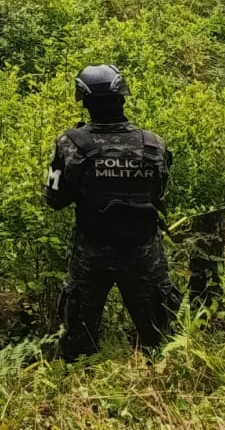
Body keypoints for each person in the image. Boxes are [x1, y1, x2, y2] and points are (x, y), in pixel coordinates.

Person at [44, 64, 180, 361]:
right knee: (163, 341)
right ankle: (169, 390)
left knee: (78, 343)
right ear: (122, 98)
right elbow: (159, 194)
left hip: (91, 254)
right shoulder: (153, 145)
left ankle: (75, 398)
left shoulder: (71, 144)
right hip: (144, 252)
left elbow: (53, 199)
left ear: (85, 101)